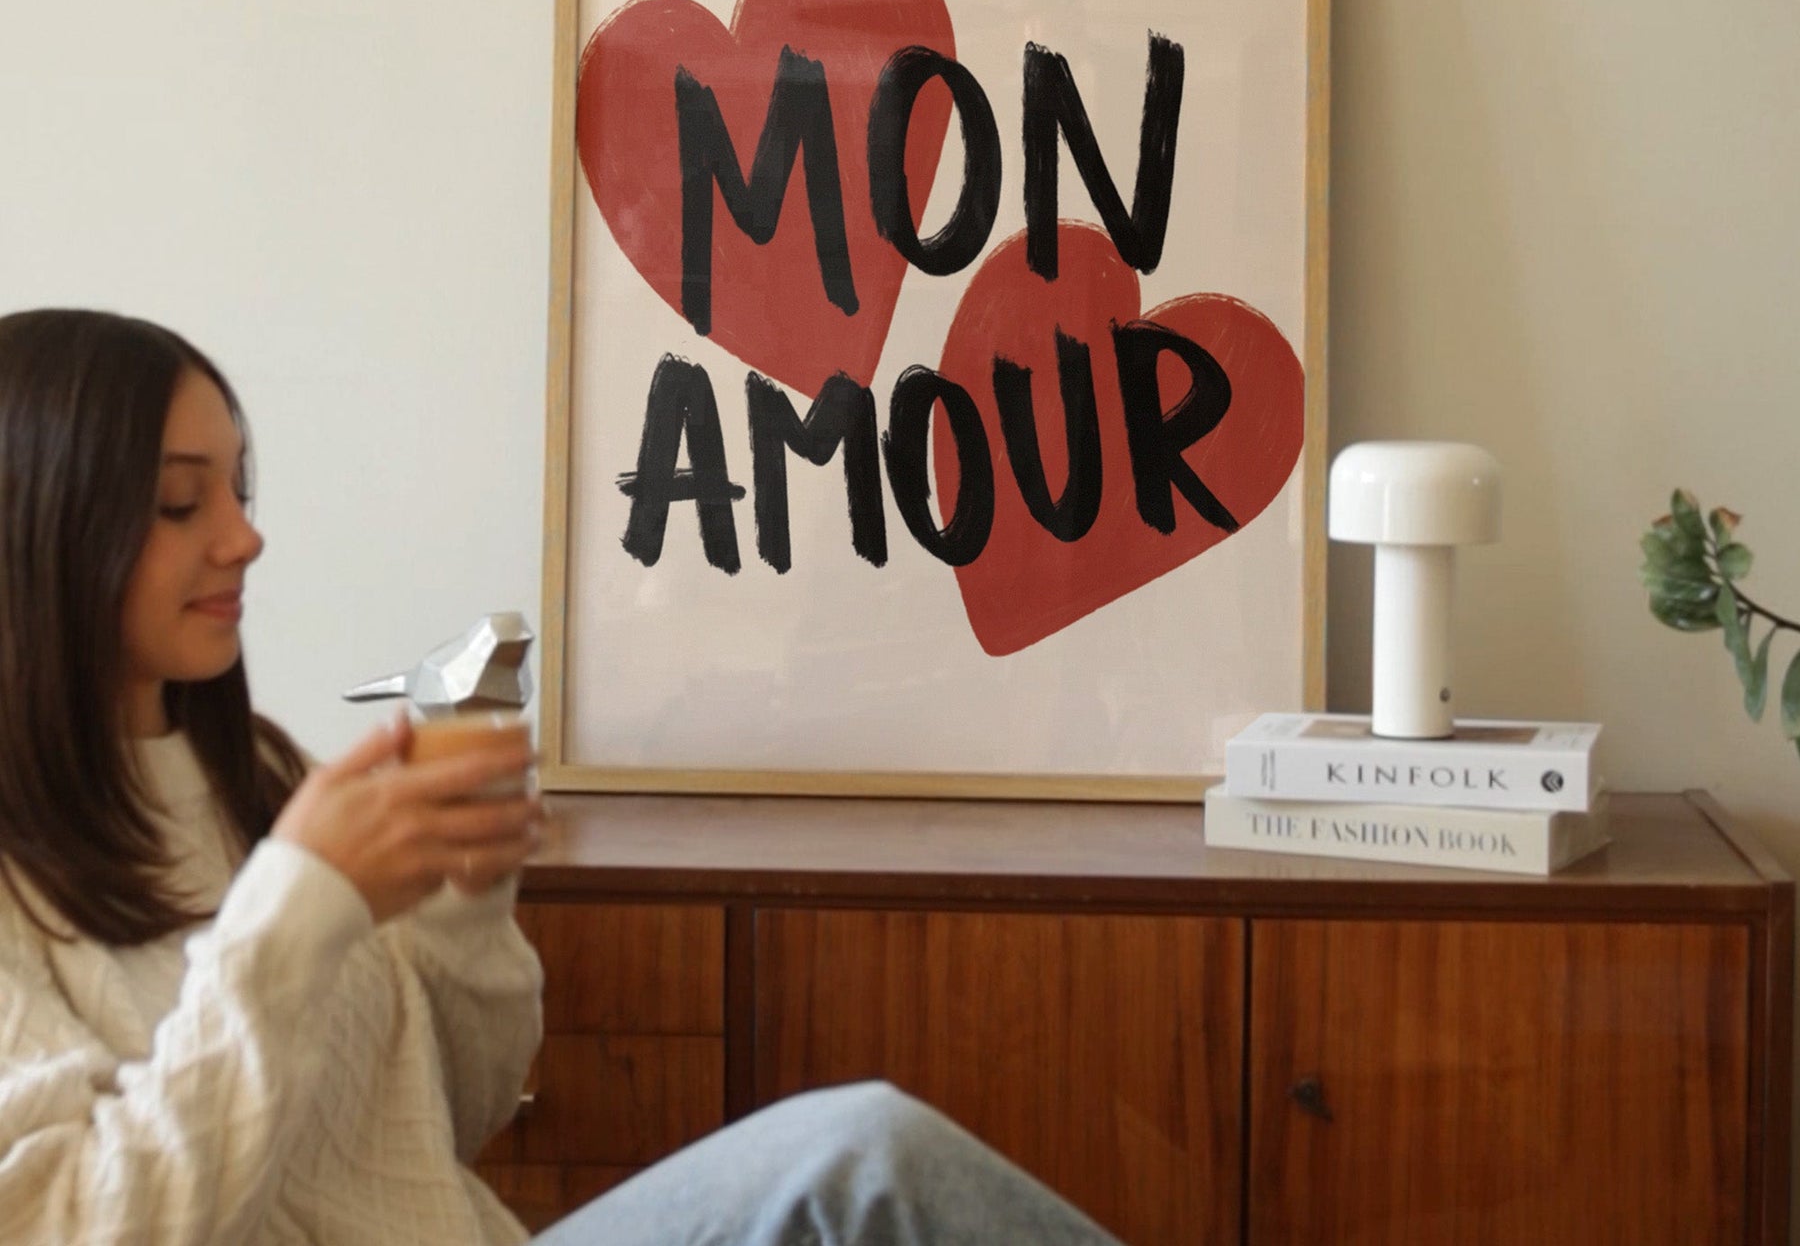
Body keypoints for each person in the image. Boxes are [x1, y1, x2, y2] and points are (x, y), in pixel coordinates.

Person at [0, 308, 1121, 1246]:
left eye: (241, 493)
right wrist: (292, 919)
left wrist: (464, 907)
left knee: (866, 1158)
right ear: (39, 522)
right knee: (861, 1158)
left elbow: (445, 1126)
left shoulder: (256, 777)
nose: (244, 539)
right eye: (182, 503)